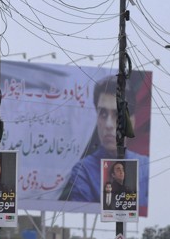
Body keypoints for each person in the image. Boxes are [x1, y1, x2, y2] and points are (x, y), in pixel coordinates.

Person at [61, 75, 149, 206]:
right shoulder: (83, 171)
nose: (108, 124)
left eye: (117, 115)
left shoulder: (146, 166)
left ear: (131, 121)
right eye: (103, 114)